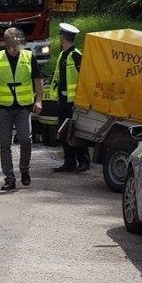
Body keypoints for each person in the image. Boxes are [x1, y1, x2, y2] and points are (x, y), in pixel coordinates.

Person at [0, 27, 43, 190]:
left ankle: (24, 170)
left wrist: (39, 100)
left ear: (18, 40)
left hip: (23, 106)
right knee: (5, 144)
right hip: (4, 107)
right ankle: (9, 178)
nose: (9, 43)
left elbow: (38, 79)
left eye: (12, 39)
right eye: (6, 39)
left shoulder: (29, 56)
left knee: (25, 139)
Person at [51, 22, 90, 172]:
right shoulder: (62, 55)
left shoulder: (76, 56)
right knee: (64, 132)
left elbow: (84, 79)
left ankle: (83, 162)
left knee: (76, 132)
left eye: (61, 35)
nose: (60, 38)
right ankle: (69, 162)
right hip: (62, 101)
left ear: (64, 37)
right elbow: (57, 76)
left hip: (73, 102)